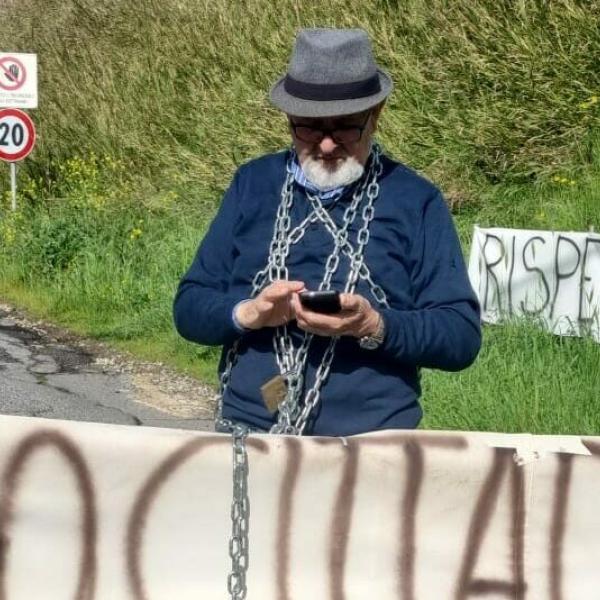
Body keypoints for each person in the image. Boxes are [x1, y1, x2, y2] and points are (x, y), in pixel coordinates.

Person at [173, 28, 481, 437]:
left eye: (347, 128)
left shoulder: (416, 200)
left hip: (372, 441)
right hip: (252, 428)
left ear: (377, 114)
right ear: (288, 119)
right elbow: (190, 305)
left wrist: (374, 325)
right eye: (310, 128)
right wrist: (249, 313)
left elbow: (459, 335)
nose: (328, 146)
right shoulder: (253, 184)